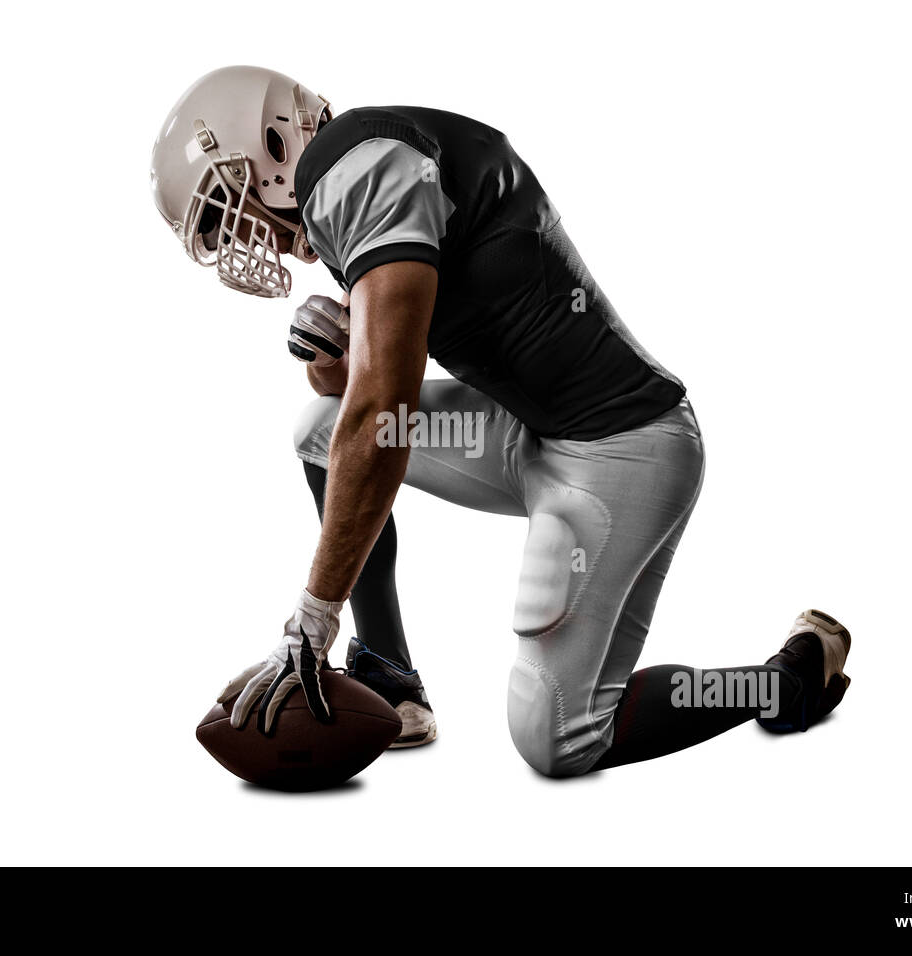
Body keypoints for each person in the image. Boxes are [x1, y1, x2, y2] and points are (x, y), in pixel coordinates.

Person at [150, 66, 853, 776]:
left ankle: (786, 680)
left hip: (623, 446)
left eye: (226, 207)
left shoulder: (353, 163)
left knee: (561, 738)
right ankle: (389, 672)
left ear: (272, 141)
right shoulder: (357, 180)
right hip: (532, 428)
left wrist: (311, 618)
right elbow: (354, 399)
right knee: (319, 430)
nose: (251, 241)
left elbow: (383, 407)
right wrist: (330, 354)